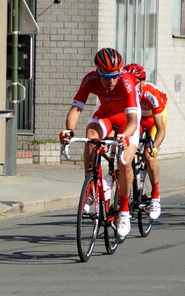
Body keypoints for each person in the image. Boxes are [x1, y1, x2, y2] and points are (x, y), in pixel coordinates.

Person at [59, 48, 140, 238]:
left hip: (128, 121)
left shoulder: (127, 82)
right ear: (97, 72)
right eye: (106, 76)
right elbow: (76, 109)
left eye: (115, 75)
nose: (112, 81)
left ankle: (125, 211)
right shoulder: (89, 80)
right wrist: (69, 131)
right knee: (91, 135)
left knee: (124, 162)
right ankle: (91, 188)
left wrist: (125, 136)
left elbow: (133, 121)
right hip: (105, 115)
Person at [124, 63, 167, 220]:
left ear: (142, 82)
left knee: (149, 156)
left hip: (153, 121)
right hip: (137, 121)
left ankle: (155, 196)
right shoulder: (125, 92)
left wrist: (154, 146)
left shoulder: (151, 94)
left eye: (134, 82)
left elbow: (161, 129)